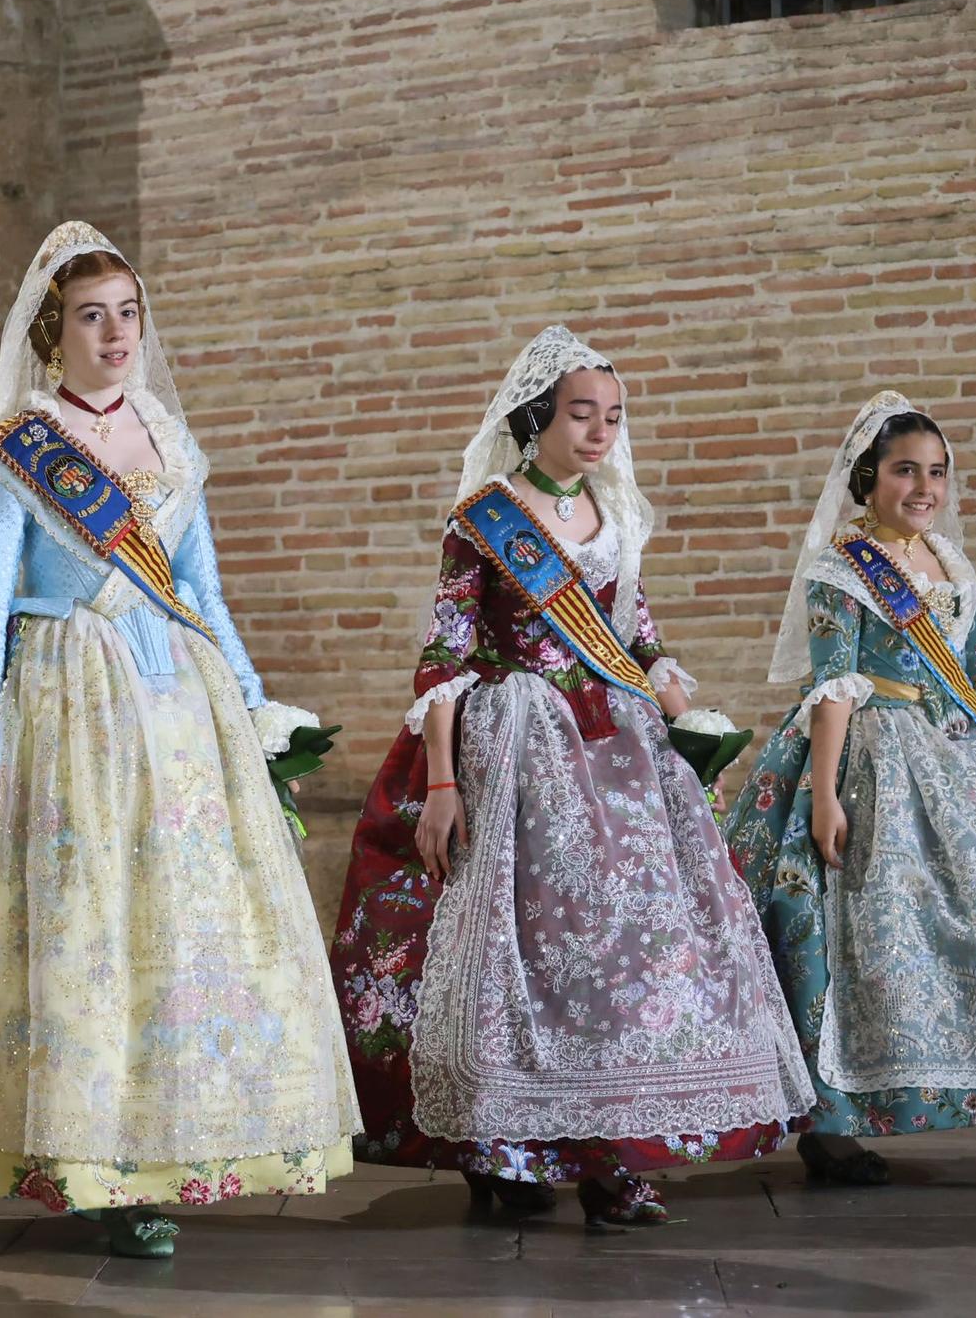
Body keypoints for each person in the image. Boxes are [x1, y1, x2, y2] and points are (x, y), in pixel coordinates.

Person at [0, 222, 358, 1258]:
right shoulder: (15, 451)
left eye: (127, 313)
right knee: (84, 931)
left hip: (176, 711)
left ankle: (164, 1146)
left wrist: (254, 710)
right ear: (49, 332)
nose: (115, 333)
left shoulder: (169, 440)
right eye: (90, 316)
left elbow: (203, 592)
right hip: (66, 700)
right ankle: (88, 1163)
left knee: (176, 931)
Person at [328, 324, 811, 1226]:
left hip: (616, 746)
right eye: (583, 413)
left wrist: (678, 709)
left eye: (614, 416)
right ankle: (502, 1147)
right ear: (536, 417)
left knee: (628, 948)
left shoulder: (618, 517)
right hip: (514, 742)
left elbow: (639, 638)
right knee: (524, 950)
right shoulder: (486, 517)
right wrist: (440, 783)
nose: (601, 431)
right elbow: (445, 656)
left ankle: (612, 1155)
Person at [722, 390, 976, 1186]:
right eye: (905, 470)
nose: (924, 487)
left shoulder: (950, 562)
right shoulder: (842, 569)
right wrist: (827, 792)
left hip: (961, 759)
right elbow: (835, 683)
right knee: (866, 941)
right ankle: (831, 1130)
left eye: (937, 472)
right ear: (868, 477)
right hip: (872, 757)